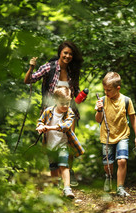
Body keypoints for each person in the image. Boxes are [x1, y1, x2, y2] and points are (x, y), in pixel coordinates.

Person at [24, 41, 83, 186]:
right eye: (65, 53)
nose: (68, 56)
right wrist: (31, 67)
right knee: (52, 144)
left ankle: (68, 172)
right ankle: (55, 176)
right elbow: (28, 80)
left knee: (68, 141)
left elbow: (74, 94)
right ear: (60, 53)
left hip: (68, 112)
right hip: (50, 113)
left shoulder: (72, 71)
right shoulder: (48, 68)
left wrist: (80, 98)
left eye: (70, 54)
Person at [95, 72, 136, 197]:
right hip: (107, 136)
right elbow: (98, 120)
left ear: (118, 88)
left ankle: (120, 187)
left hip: (122, 135)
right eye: (104, 89)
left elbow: (133, 118)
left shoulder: (126, 100)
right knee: (108, 165)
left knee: (121, 161)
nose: (106, 92)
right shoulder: (102, 101)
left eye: (108, 90)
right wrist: (99, 109)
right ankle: (108, 176)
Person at [36, 86, 84, 198]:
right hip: (50, 145)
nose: (65, 106)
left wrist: (48, 127)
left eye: (68, 103)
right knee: (53, 167)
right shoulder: (48, 111)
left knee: (64, 165)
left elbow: (66, 127)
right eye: (62, 103)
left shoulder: (70, 113)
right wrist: (40, 127)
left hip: (63, 144)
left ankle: (67, 188)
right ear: (55, 100)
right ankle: (54, 188)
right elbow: (40, 122)